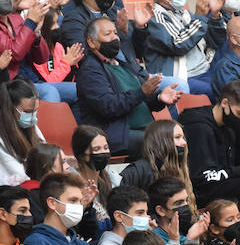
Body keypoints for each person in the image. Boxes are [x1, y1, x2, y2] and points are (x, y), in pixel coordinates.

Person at [76, 17, 181, 158]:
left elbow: (140, 99)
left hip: (145, 129)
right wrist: (142, 92)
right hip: (118, 135)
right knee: (165, 142)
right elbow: (109, 106)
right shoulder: (90, 70)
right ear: (91, 42)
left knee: (183, 137)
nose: (115, 38)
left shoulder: (122, 64)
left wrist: (159, 97)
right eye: (108, 35)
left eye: (115, 33)